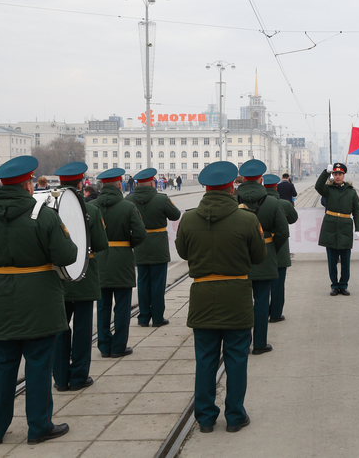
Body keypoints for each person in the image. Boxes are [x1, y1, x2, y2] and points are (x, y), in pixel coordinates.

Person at [0, 155, 77, 445]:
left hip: (1, 301)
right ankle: (39, 426)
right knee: (39, 365)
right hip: (40, 301)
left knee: (2, 365)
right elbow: (67, 256)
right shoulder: (43, 214)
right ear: (28, 185)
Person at [176, 161, 266, 434]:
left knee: (205, 359)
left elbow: (182, 252)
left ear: (205, 186)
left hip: (203, 297)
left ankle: (204, 418)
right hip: (237, 297)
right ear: (232, 187)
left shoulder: (189, 218)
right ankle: (235, 416)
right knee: (237, 358)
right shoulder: (247, 218)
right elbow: (259, 256)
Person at [52, 162, 108, 392]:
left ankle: (60, 378)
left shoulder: (49, 210)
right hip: (84, 274)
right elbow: (101, 244)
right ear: (80, 183)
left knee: (59, 329)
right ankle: (79, 377)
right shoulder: (91, 210)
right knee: (83, 329)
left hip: (58, 277)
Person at [90, 167, 147, 358]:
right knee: (122, 306)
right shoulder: (127, 207)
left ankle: (104, 345)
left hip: (98, 259)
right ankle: (119, 346)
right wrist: (126, 245)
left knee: (103, 305)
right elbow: (140, 234)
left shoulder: (92, 206)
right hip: (122, 258)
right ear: (119, 184)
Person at [236, 160, 289, 354]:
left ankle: (242, 342)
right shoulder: (272, 202)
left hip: (238, 257)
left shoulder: (233, 199)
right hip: (264, 257)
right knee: (261, 300)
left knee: (241, 302)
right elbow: (283, 232)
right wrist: (271, 247)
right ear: (260, 179)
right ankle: (259, 344)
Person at [126, 168, 182, 327]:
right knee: (158, 283)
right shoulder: (161, 199)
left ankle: (143, 317)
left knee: (143, 282)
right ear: (152, 183)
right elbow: (175, 215)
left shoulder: (129, 199)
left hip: (140, 245)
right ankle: (158, 317)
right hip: (158, 246)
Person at [315, 162, 359, 296]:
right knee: (332, 260)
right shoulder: (328, 190)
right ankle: (334, 285)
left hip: (345, 227)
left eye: (340, 174)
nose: (337, 177)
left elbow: (357, 211)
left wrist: (358, 228)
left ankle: (343, 285)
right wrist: (325, 172)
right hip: (330, 227)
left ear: (344, 175)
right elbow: (318, 186)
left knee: (346, 260)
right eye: (335, 174)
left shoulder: (351, 192)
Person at [263, 174, 298, 323]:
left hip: (261, 248)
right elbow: (293, 218)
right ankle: (276, 313)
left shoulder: (255, 203)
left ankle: (261, 312)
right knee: (278, 284)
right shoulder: (284, 204)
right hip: (280, 248)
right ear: (275, 187)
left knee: (262, 285)